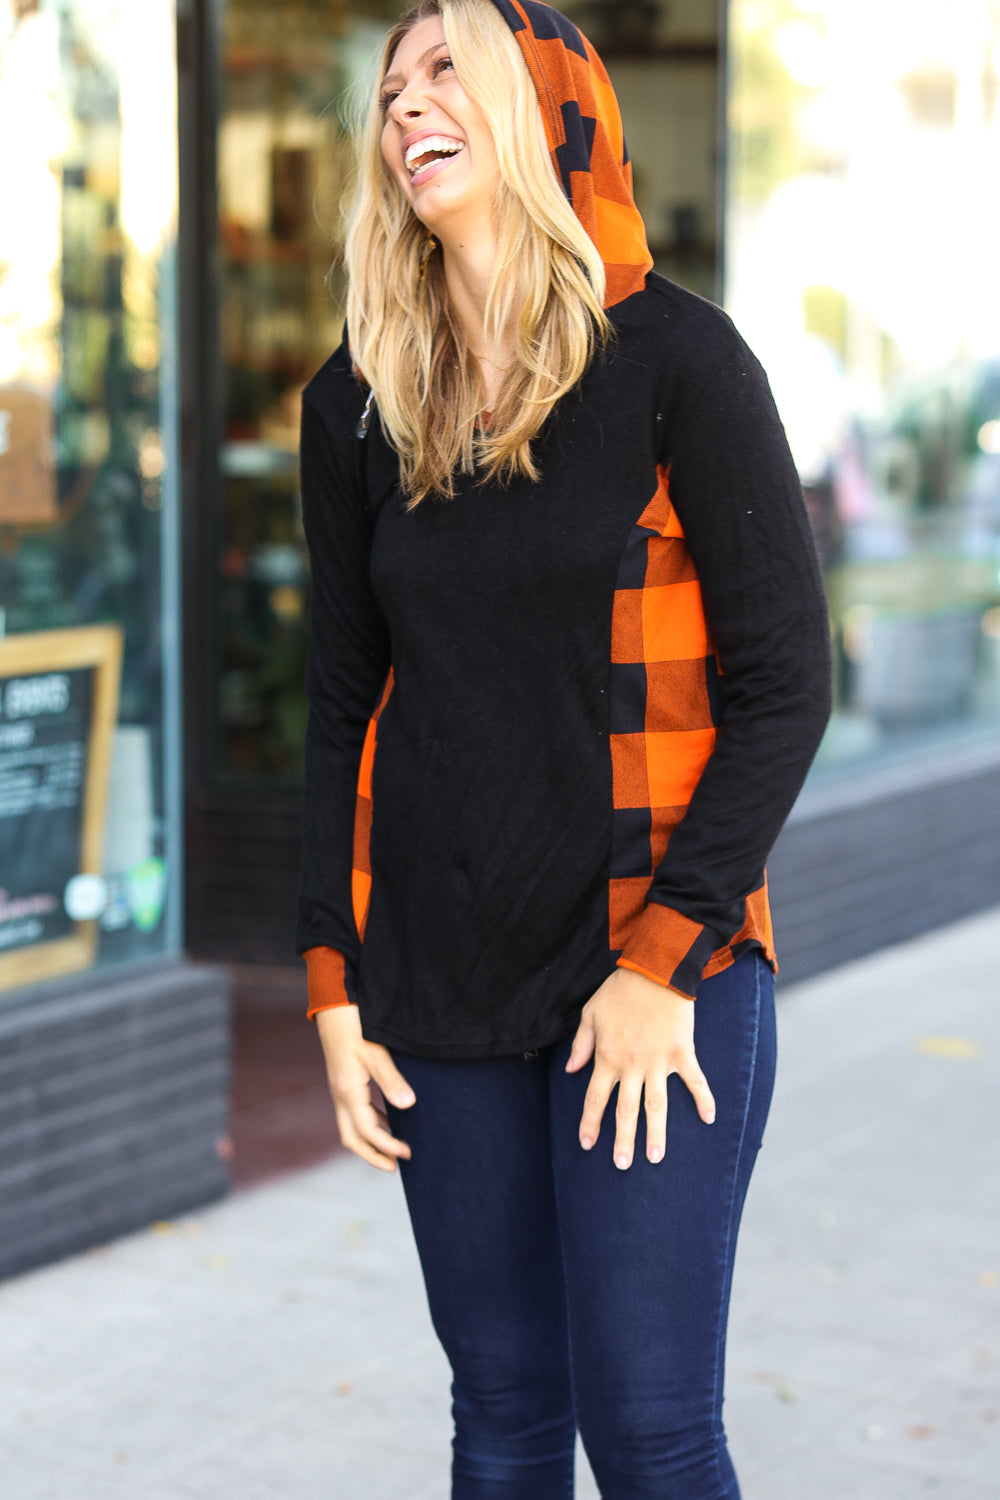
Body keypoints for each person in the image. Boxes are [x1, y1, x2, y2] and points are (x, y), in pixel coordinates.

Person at [296, 1, 831, 1495]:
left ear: (544, 111)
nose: (406, 105)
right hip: (438, 977)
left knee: (648, 1432)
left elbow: (787, 686)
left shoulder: (678, 362)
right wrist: (333, 981)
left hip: (649, 970)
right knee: (505, 1417)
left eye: (445, 72)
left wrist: (663, 963)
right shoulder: (355, 402)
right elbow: (342, 704)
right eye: (391, 88)